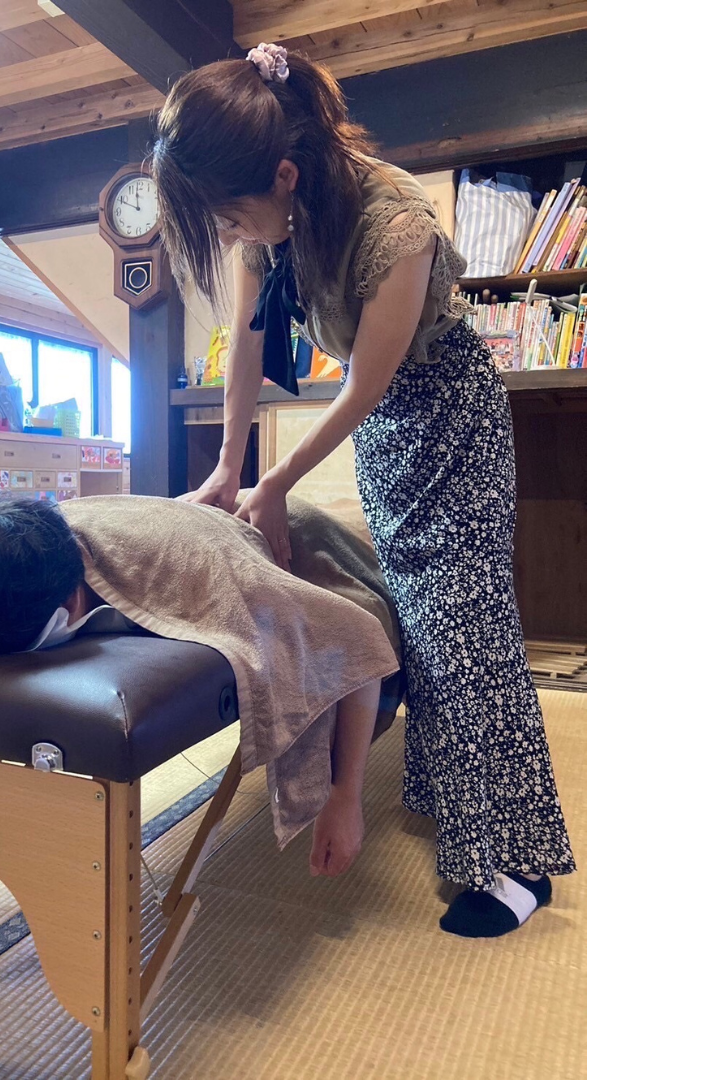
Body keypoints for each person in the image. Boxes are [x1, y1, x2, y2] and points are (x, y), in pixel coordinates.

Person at [150, 43, 575, 938]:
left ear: (285, 176)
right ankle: (456, 799)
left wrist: (276, 483)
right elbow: (247, 346)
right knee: (416, 625)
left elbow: (365, 385)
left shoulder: (397, 224)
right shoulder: (266, 218)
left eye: (228, 215)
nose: (228, 233)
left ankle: (518, 862)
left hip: (449, 418)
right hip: (388, 437)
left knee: (465, 631)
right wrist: (228, 466)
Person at [0, 483, 404, 880]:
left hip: (293, 540)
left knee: (386, 577)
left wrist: (344, 796)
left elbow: (358, 634)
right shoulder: (7, 548)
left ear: (68, 605)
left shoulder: (195, 577)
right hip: (188, 519)